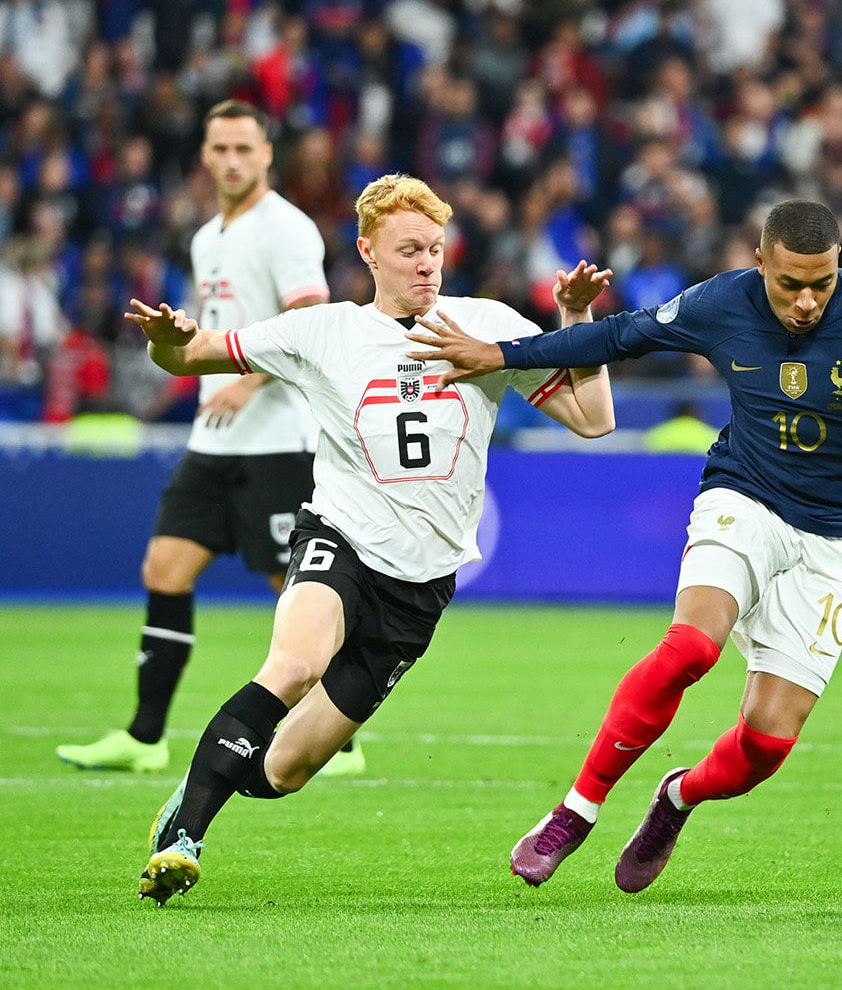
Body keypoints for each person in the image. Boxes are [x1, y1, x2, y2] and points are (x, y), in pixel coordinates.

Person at [407, 198, 842, 893]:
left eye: (822, 284)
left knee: (766, 745)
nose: (807, 302)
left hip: (833, 539)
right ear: (760, 263)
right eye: (790, 284)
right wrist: (502, 355)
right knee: (691, 648)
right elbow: (620, 337)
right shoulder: (722, 302)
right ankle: (574, 812)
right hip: (742, 496)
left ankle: (676, 798)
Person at [127, 173, 615, 904]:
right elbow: (189, 355)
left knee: (285, 770)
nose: (426, 263)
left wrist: (577, 323)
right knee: (293, 664)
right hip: (340, 540)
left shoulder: (485, 325)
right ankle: (184, 838)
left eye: (436, 249)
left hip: (419, 589)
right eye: (410, 249)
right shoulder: (322, 331)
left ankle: (204, 786)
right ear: (368, 252)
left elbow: (593, 420)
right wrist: (166, 346)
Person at [54, 100, 369, 776]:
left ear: (266, 155)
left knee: (297, 587)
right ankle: (144, 738)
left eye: (243, 149)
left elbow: (310, 314)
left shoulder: (286, 228)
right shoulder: (207, 237)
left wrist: (248, 379)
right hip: (214, 439)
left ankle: (339, 740)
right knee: (163, 569)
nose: (231, 161)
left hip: (279, 439)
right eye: (219, 149)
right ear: (204, 155)